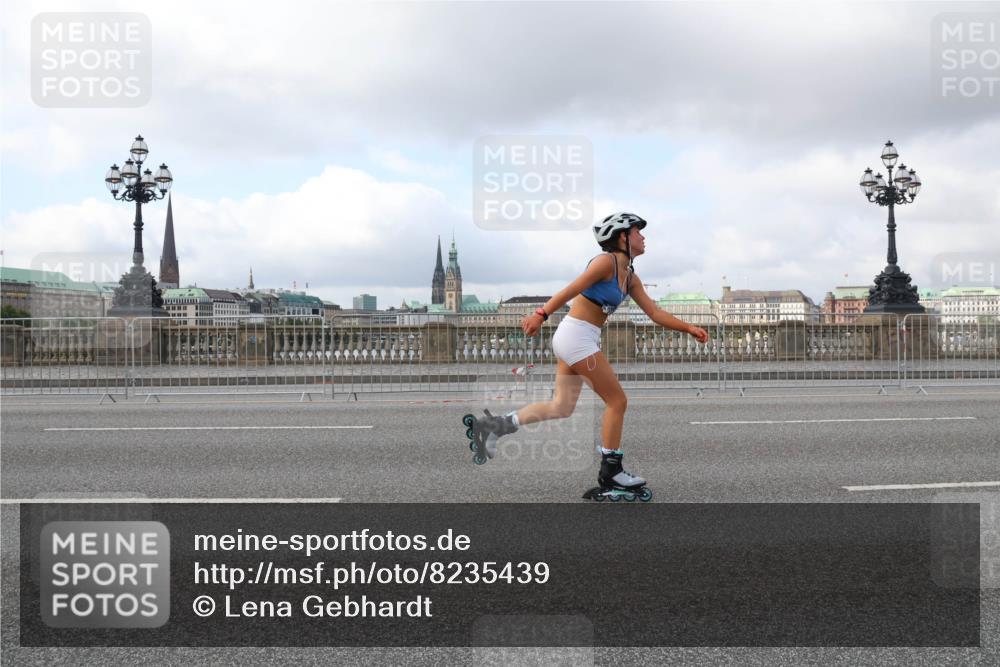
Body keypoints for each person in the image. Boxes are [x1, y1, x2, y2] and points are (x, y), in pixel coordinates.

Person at [471, 212, 710, 499]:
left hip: (579, 338)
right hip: (577, 337)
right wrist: (540, 314)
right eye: (637, 232)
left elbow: (655, 312)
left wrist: (688, 327)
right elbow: (572, 289)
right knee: (617, 400)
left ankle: (495, 425)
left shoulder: (630, 277)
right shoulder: (604, 263)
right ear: (622, 237)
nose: (643, 237)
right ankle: (611, 474)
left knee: (561, 406)